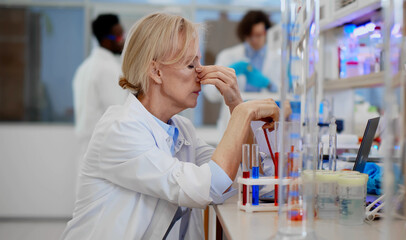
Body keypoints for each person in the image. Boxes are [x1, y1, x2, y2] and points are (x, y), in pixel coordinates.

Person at [61, 13, 281, 239]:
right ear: (155, 72)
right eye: (190, 64)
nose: (201, 74)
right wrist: (242, 114)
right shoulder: (119, 129)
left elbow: (247, 182)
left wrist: (236, 104)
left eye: (200, 62)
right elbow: (208, 186)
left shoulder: (181, 130)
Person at [203, 10, 281, 135]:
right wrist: (222, 80)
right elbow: (210, 93)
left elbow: (284, 93)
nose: (254, 40)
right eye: (250, 36)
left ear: (266, 33)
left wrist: (269, 84)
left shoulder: (278, 59)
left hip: (264, 121)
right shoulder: (228, 56)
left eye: (259, 34)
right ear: (244, 35)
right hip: (234, 119)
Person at [72, 14, 128, 166]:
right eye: (119, 36)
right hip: (104, 150)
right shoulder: (108, 69)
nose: (123, 40)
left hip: (88, 147)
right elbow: (118, 113)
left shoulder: (84, 68)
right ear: (106, 40)